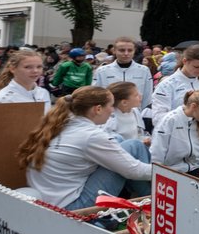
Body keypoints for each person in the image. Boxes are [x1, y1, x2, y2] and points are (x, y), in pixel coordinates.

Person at [17, 86, 151, 209]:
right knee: (134, 146)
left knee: (120, 141)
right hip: (72, 207)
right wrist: (166, 172)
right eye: (111, 106)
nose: (112, 111)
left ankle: (147, 199)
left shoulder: (59, 124)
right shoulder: (91, 136)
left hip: (51, 199)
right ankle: (153, 201)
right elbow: (134, 170)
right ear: (97, 109)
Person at [150, 89, 199, 179]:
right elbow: (157, 153)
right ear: (194, 106)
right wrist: (158, 176)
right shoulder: (170, 120)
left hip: (193, 169)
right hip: (170, 171)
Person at [150, 45, 199, 128]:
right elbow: (158, 119)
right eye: (196, 67)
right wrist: (186, 113)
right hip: (176, 136)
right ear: (185, 61)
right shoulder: (167, 85)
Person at [93, 36, 154, 109]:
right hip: (109, 115)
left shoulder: (144, 71)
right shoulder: (102, 71)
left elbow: (148, 96)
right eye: (122, 50)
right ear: (114, 51)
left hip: (136, 115)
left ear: (134, 51)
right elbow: (96, 95)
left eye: (130, 50)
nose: (126, 53)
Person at [0, 50, 52, 114]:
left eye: (39, 67)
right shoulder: (4, 99)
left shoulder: (43, 93)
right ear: (13, 69)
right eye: (28, 67)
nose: (35, 71)